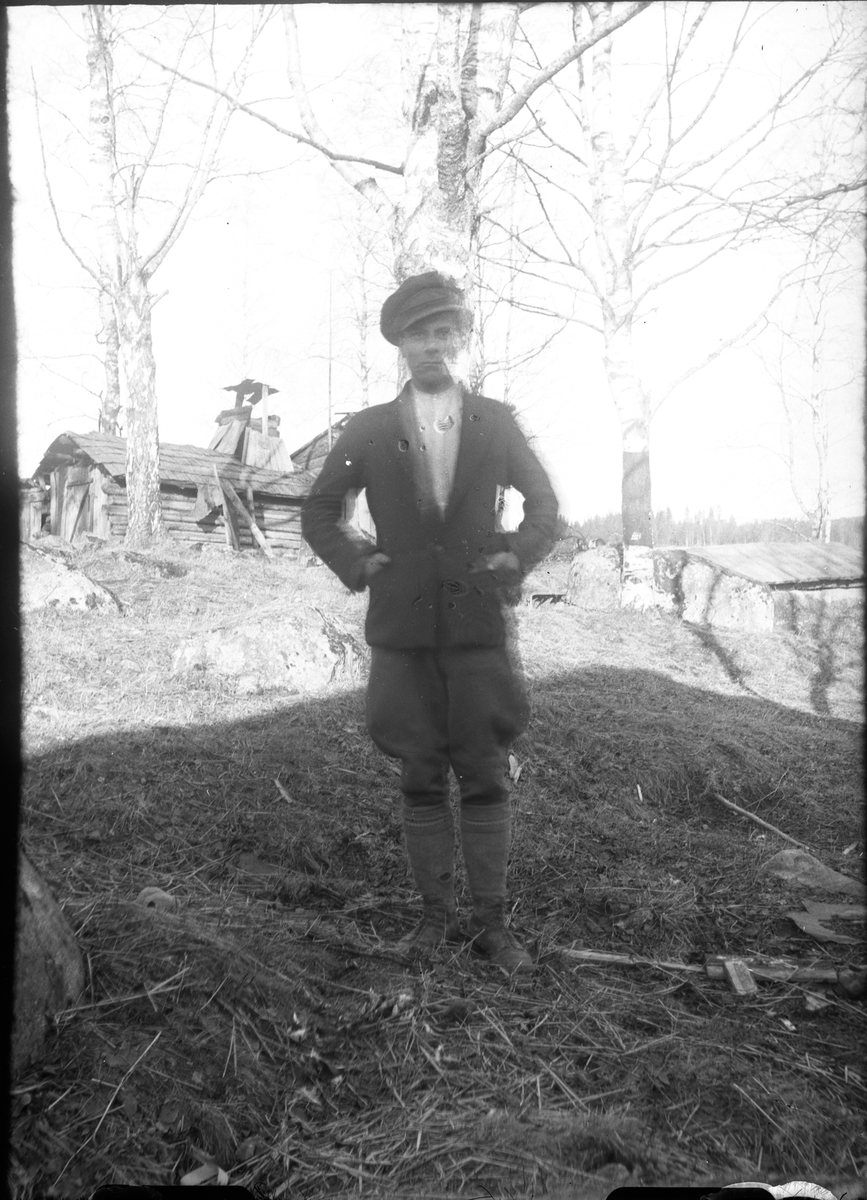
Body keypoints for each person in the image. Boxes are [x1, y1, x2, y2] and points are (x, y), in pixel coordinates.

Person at [301, 271, 559, 972]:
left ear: (462, 340)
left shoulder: (494, 422)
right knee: (419, 772)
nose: (433, 346)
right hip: (403, 630)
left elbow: (544, 508)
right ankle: (432, 919)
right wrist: (360, 563)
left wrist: (515, 555)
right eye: (419, 334)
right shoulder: (369, 428)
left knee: (483, 772)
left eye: (445, 332)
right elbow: (319, 511)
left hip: (476, 626)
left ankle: (491, 924)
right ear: (400, 345)